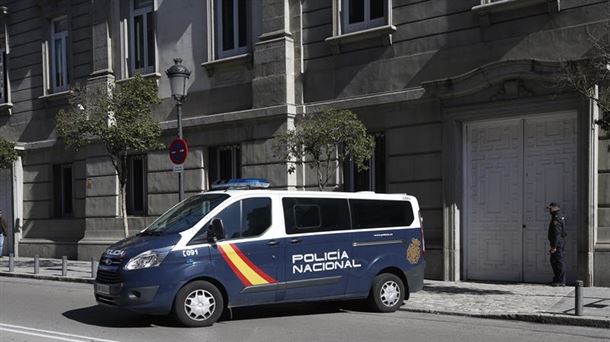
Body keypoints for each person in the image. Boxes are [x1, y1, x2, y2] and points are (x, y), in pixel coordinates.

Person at [547, 202, 566, 286]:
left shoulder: (556, 218)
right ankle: (557, 279)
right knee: (554, 261)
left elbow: (557, 233)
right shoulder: (558, 217)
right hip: (558, 243)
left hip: (557, 244)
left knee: (558, 262)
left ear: (555, 208)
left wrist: (554, 246)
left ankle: (561, 281)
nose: (549, 210)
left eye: (550, 208)